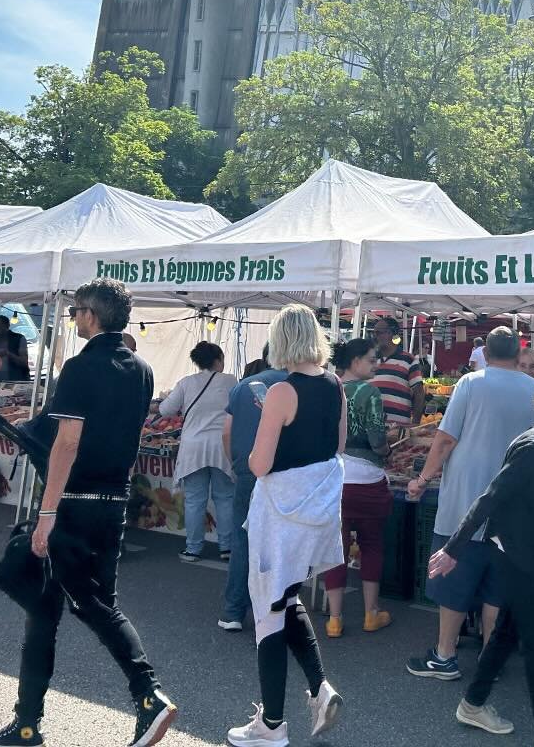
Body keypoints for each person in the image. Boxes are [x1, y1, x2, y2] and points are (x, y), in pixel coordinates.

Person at [0, 279, 176, 747]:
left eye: (75, 312)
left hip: (74, 503)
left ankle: (148, 694)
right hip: (113, 504)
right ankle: (26, 723)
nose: (71, 318)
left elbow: (67, 444)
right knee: (50, 607)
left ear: (91, 315)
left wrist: (47, 513)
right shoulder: (141, 369)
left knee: (89, 605)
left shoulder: (82, 367)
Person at [430, 382, 534, 747]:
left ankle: (472, 705)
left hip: (528, 551)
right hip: (513, 553)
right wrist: (453, 548)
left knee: (506, 633)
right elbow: (491, 496)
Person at [226, 304, 345, 747]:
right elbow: (338, 444)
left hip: (279, 515)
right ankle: (319, 687)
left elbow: (259, 463)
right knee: (286, 598)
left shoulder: (281, 391)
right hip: (315, 512)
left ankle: (272, 725)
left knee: (268, 613)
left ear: (281, 339)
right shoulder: (336, 385)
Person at [405, 326, 534, 680]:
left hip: (466, 501)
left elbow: (446, 439)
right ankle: (489, 661)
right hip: (512, 506)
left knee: (454, 579)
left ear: (485, 352)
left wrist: (422, 479)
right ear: (517, 352)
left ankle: (445, 656)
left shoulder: (471, 384)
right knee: (497, 589)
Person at [322, 337, 394, 637]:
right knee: (371, 545)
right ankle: (370, 613)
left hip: (333, 479)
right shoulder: (370, 392)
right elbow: (377, 439)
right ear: (355, 362)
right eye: (371, 358)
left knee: (335, 548)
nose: (376, 364)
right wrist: (387, 449)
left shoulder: (327, 389)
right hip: (366, 479)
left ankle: (334, 619)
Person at [221, 346, 288, 633]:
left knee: (243, 540)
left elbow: (226, 432)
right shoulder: (297, 384)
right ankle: (272, 614)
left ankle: (233, 611)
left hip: (248, 470)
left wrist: (236, 466)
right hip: (286, 474)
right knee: (281, 544)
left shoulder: (243, 387)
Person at [161, 341, 237, 564]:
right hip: (222, 446)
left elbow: (166, 410)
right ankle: (227, 548)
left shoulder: (186, 383)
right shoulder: (231, 381)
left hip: (194, 447)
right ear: (219, 359)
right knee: (225, 498)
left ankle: (193, 549)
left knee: (195, 500)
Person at [371, 316, 425, 427]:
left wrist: (415, 423)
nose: (375, 336)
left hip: (398, 428)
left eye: (379, 332)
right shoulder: (369, 359)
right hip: (371, 427)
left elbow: (419, 393)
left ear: (392, 333)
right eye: (374, 333)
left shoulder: (408, 359)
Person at [0, 314, 31, 383]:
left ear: (7, 326)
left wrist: (8, 354)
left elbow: (24, 362)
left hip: (16, 382)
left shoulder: (19, 338)